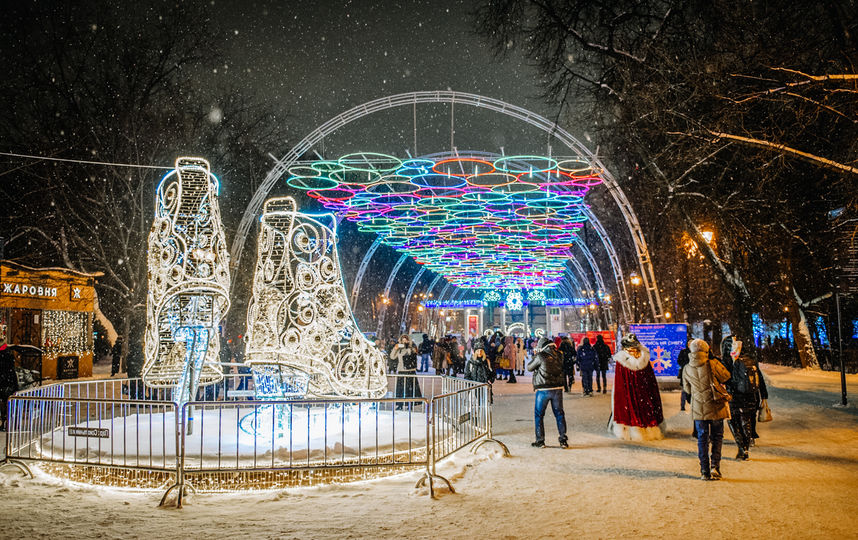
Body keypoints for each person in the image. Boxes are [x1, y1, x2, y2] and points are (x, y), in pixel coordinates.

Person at [681, 339, 731, 480]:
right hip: (716, 406)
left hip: (698, 408)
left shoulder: (686, 368)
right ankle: (715, 466)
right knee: (717, 437)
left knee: (702, 439)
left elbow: (687, 389)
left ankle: (704, 470)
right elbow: (726, 376)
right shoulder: (712, 363)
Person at [609, 333, 665, 440]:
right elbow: (650, 380)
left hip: (629, 391)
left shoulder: (622, 360)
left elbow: (620, 383)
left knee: (630, 406)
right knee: (645, 407)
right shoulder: (644, 358)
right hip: (645, 392)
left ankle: (630, 430)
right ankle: (649, 428)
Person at [727, 338, 767, 460]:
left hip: (735, 397)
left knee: (733, 421)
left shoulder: (731, 361)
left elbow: (728, 380)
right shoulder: (751, 362)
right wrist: (764, 396)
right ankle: (747, 447)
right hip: (751, 396)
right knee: (747, 421)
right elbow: (760, 380)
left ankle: (741, 447)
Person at [526, 337, 568, 448]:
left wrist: (535, 355)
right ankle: (563, 439)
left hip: (543, 389)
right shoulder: (560, 355)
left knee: (539, 415)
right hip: (557, 388)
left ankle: (540, 440)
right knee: (559, 414)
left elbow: (529, 367)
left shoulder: (540, 356)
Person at [390, 334, 421, 408]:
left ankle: (409, 404)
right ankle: (400, 404)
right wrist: (395, 348)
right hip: (401, 370)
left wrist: (408, 346)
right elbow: (392, 357)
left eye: (405, 340)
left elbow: (413, 353)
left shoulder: (411, 347)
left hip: (410, 370)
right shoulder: (399, 349)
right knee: (400, 388)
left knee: (409, 389)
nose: (404, 342)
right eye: (402, 340)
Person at [0, 344, 20, 431]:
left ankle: (6, 422)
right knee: (9, 406)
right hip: (8, 385)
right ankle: (9, 423)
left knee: (5, 405)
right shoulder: (10, 368)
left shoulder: (4, 365)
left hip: (5, 385)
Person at [677, 341, 691, 411]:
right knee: (684, 390)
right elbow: (679, 361)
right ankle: (682, 405)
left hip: (691, 374)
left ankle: (691, 404)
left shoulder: (694, 352)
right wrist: (685, 366)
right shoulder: (684, 352)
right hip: (685, 374)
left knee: (687, 390)